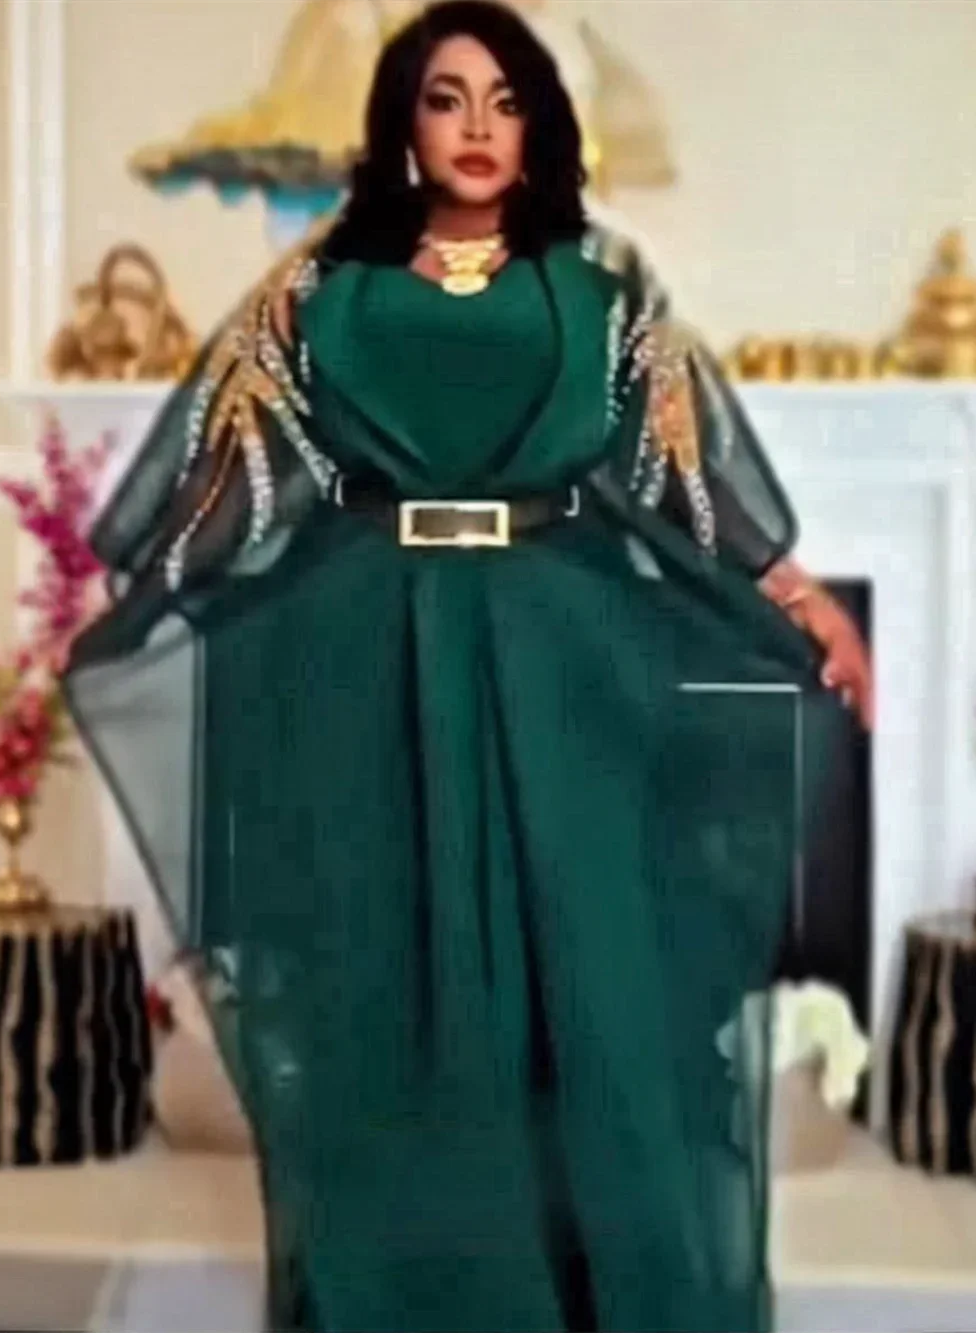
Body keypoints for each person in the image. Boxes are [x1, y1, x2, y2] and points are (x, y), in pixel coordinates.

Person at [64, 3, 871, 1330]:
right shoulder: (324, 288)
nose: (479, 127)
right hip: (369, 655)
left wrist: (798, 596)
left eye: (506, 101)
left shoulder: (600, 286)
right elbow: (243, 471)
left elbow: (680, 472)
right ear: (405, 123)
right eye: (448, 99)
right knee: (390, 971)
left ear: (540, 124)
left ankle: (581, 1294)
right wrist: (140, 594)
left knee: (582, 974)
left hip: (565, 657)